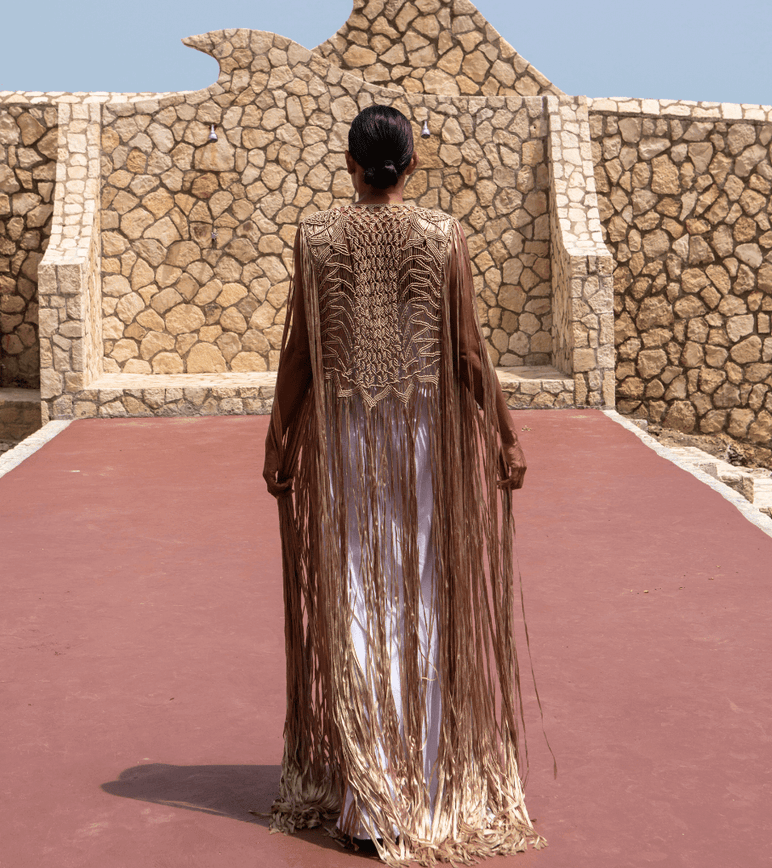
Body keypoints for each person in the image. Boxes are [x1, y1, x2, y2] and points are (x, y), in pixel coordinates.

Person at [263, 104, 544, 866]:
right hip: (422, 442)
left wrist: (280, 438)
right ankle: (418, 786)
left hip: (349, 441)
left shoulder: (315, 239)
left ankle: (366, 801)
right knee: (420, 595)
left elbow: (299, 356)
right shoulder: (443, 236)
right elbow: (467, 353)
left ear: (349, 164)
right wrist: (505, 435)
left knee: (355, 590)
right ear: (410, 166)